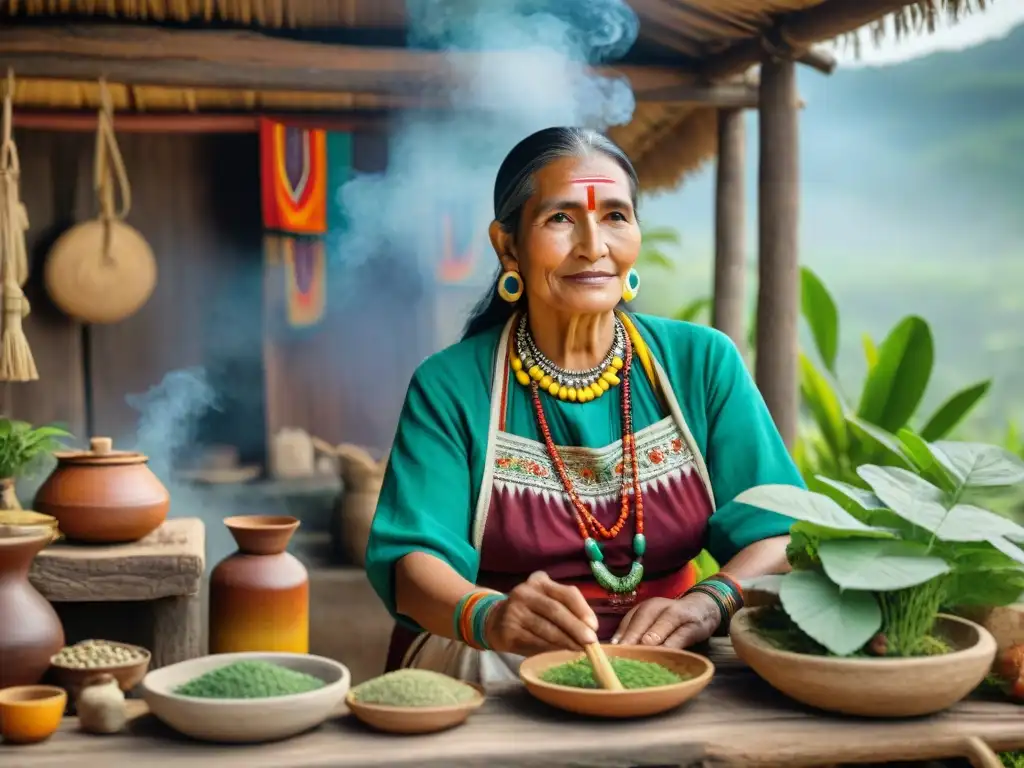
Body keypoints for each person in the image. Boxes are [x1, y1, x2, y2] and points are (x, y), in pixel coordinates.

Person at [365, 126, 801, 689]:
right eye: (561, 219)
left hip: (677, 652)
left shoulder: (702, 363)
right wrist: (492, 617)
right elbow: (412, 565)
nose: (594, 245)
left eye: (616, 217)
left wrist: (707, 604)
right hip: (499, 657)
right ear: (507, 245)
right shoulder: (451, 385)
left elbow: (782, 533)